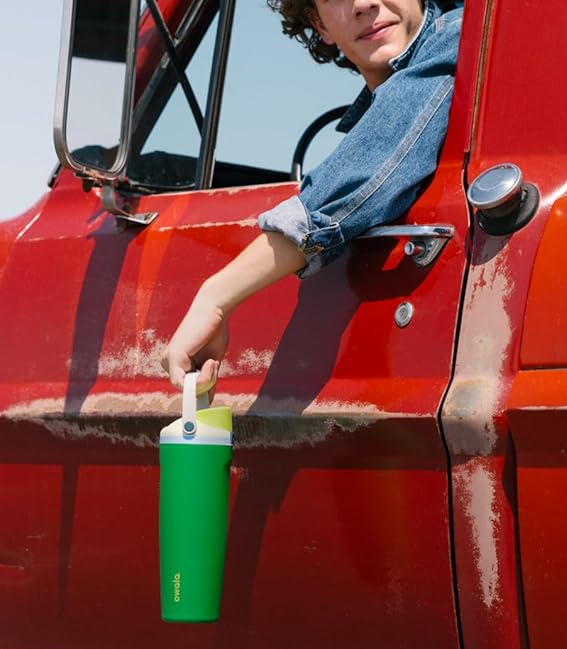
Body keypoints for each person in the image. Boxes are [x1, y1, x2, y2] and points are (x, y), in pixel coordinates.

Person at [161, 0, 464, 397]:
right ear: (320, 25)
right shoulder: (379, 118)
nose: (364, 4)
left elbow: (367, 169)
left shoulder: (461, 36)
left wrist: (216, 298)